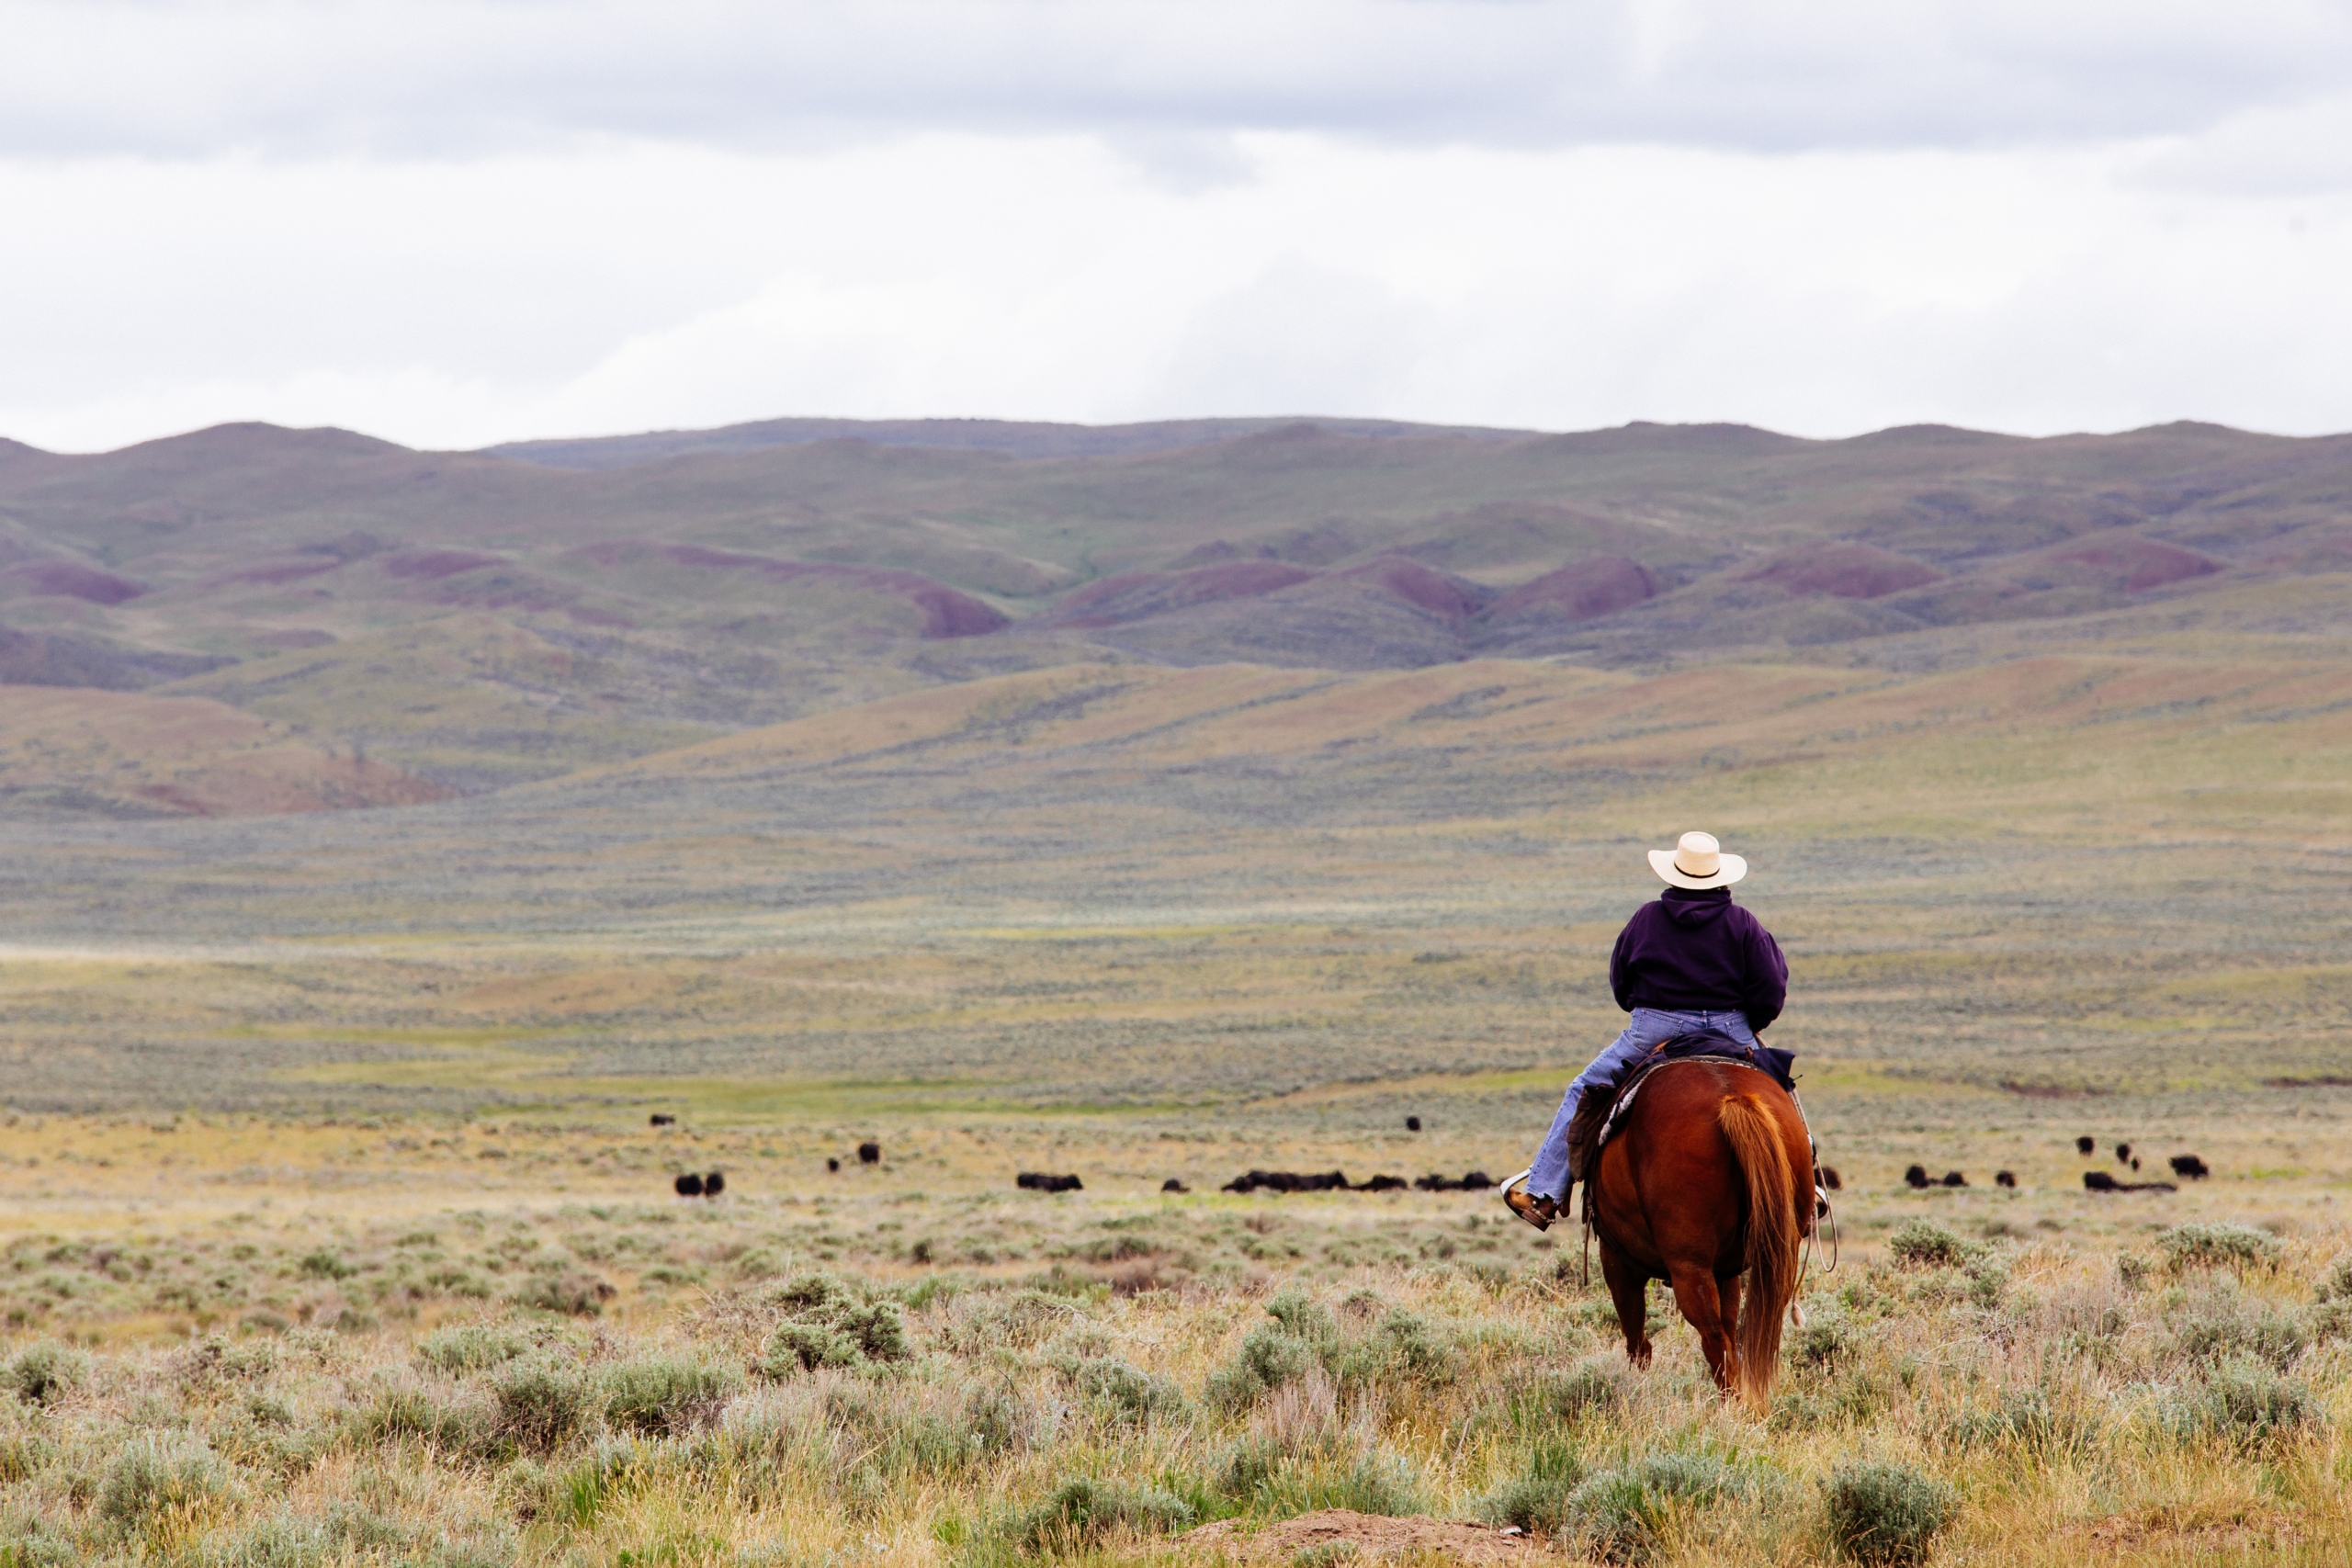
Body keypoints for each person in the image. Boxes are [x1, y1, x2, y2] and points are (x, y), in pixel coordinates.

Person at [1506, 830, 1787, 1230]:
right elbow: (1771, 987)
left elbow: (1621, 981)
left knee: (1584, 1088)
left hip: (1656, 1026)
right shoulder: (1744, 923)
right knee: (1781, 1090)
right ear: (1722, 877)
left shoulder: (1646, 918)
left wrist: (1648, 1011)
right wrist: (1747, 1024)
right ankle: (1804, 1188)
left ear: (1674, 874)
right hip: (1730, 1027)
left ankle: (1545, 1194)